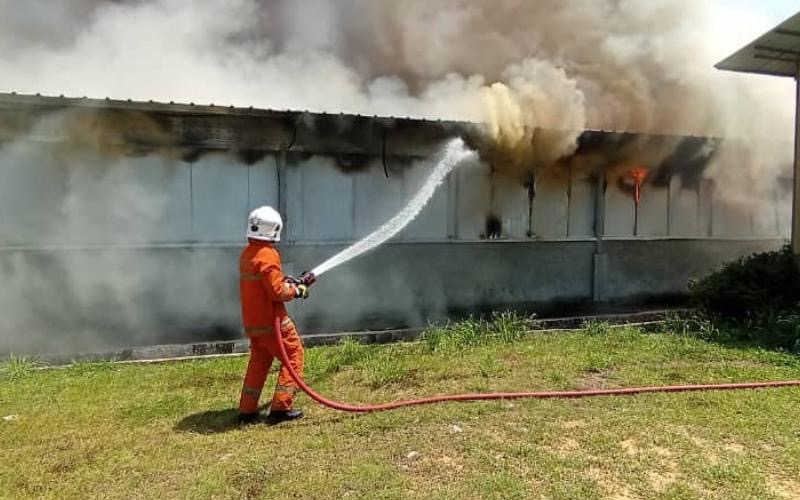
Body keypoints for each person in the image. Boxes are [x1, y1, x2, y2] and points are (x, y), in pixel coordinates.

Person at [238, 206, 309, 424]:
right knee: (294, 355)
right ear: (274, 229)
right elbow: (276, 291)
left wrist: (286, 281)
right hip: (273, 322)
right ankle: (281, 408)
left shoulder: (248, 254)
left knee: (259, 362)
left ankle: (247, 410)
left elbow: (266, 284)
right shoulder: (268, 254)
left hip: (254, 322)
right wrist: (296, 291)